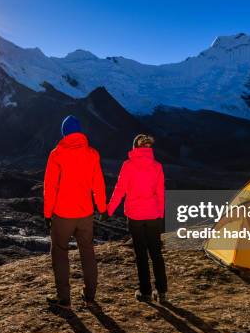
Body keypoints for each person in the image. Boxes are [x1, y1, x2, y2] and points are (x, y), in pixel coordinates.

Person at [44, 115, 108, 309]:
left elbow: (50, 187)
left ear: (64, 133)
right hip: (85, 214)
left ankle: (64, 299)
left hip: (62, 215)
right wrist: (102, 207)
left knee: (60, 253)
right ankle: (90, 297)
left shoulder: (56, 155)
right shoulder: (92, 154)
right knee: (87, 253)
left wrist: (48, 213)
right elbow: (98, 184)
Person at [108, 134, 167, 302]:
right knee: (156, 254)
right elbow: (161, 193)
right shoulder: (157, 166)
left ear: (135, 148)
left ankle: (146, 293)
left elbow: (119, 190)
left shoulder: (128, 165)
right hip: (153, 215)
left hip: (135, 216)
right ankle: (162, 292)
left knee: (141, 255)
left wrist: (109, 210)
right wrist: (161, 215)